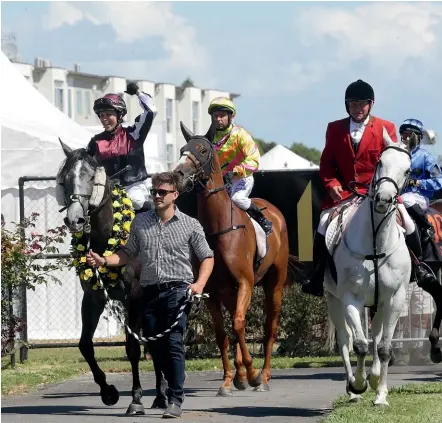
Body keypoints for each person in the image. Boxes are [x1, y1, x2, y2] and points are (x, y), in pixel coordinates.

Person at [86, 171, 214, 419]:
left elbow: (207, 256)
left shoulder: (190, 224)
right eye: (154, 191)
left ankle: (176, 398)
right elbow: (126, 253)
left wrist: (199, 284)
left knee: (174, 343)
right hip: (150, 292)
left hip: (179, 290)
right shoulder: (140, 222)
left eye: (162, 192)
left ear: (174, 195)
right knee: (155, 347)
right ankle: (175, 378)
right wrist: (103, 260)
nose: (156, 195)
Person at [301, 79, 436, 297]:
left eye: (362, 104)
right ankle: (316, 276)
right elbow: (326, 163)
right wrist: (332, 184)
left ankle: (419, 268)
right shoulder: (335, 128)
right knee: (323, 226)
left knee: (409, 224)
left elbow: (393, 160)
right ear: (347, 106)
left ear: (371, 104)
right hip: (345, 193)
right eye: (353, 104)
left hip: (377, 193)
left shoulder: (386, 127)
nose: (358, 109)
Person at [87, 82, 157, 213]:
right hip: (107, 189)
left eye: (108, 114)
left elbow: (151, 111)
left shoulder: (134, 133)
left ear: (119, 115)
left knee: (135, 200)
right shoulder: (95, 142)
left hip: (134, 187)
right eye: (101, 115)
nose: (104, 119)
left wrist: (138, 93)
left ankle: (152, 222)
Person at [207, 96, 273, 236]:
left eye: (222, 116)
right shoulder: (209, 137)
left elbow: (254, 159)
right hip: (220, 182)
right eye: (215, 116)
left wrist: (235, 172)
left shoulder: (241, 135)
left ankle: (263, 220)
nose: (218, 119)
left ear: (231, 116)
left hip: (241, 179)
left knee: (237, 199)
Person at [399, 118, 442, 246]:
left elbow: (439, 181)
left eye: (410, 135)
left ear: (418, 138)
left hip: (419, 197)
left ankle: (426, 227)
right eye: (404, 135)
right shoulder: (397, 154)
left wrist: (418, 183)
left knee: (406, 199)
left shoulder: (425, 157)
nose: (407, 139)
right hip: (397, 196)